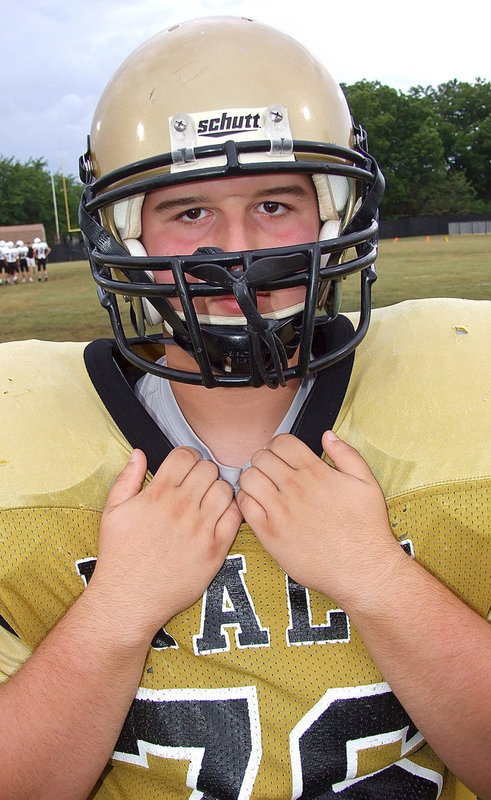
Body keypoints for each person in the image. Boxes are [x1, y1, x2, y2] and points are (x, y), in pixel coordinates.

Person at [0, 16, 489, 800]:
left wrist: (378, 579)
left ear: (335, 214)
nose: (238, 250)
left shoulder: (466, 387)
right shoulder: (17, 435)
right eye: (190, 213)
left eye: (272, 204)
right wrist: (117, 610)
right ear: (128, 239)